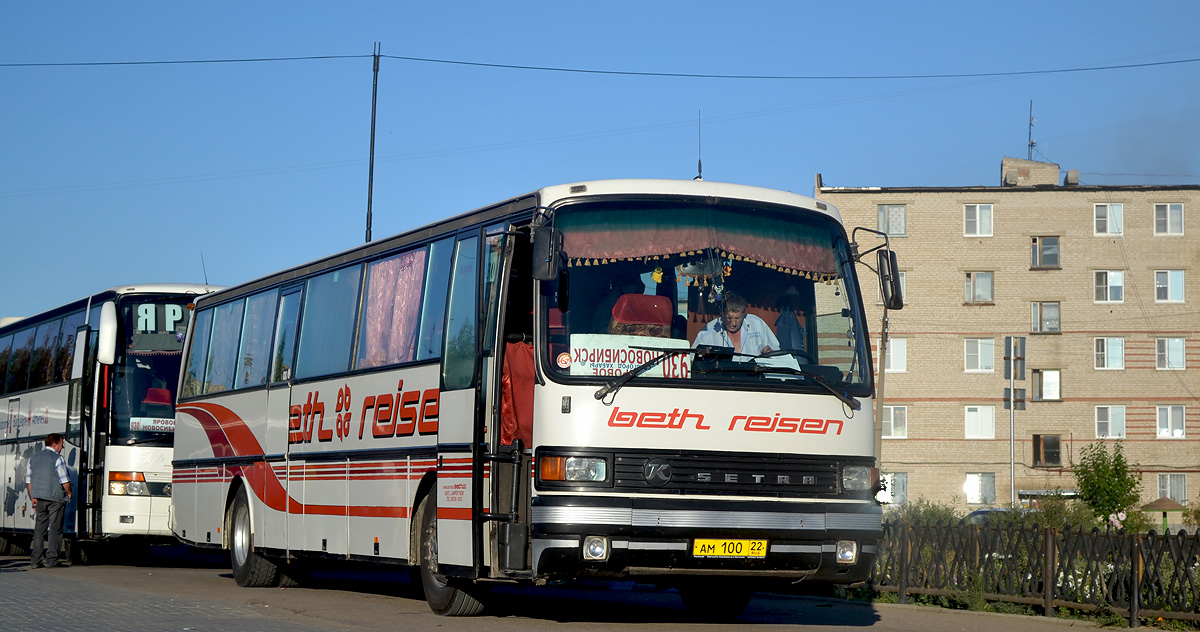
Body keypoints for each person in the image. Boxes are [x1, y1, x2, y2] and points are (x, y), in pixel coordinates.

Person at [26, 433, 72, 568]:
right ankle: (52, 560)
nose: (62, 447)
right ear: (54, 444)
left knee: (39, 529)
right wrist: (69, 492)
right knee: (55, 529)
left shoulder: (33, 458)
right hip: (55, 498)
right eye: (61, 444)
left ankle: (35, 560)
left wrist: (33, 496)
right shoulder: (57, 459)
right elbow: (64, 480)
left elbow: (29, 481)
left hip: (39, 498)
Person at [693, 291, 779, 359]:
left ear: (744, 313)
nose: (733, 323)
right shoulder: (708, 333)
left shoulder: (757, 324)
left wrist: (771, 353)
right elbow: (692, 360)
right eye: (729, 318)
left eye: (738, 318)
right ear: (721, 312)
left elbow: (777, 352)